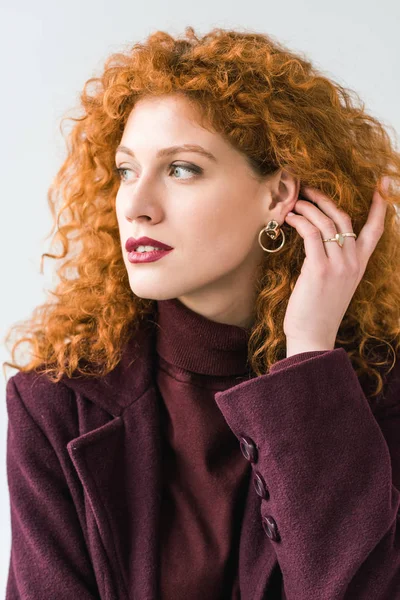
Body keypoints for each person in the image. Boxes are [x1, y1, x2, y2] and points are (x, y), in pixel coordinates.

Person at [3, 25, 400, 600]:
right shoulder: (57, 403)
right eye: (125, 170)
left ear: (277, 193)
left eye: (181, 168)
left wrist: (310, 353)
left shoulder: (381, 393)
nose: (136, 206)